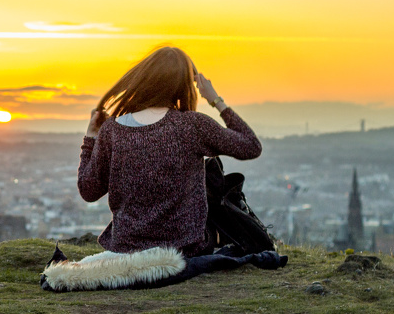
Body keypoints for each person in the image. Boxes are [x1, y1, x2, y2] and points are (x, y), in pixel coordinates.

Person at [78, 45, 262, 257]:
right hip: (183, 249)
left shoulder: (112, 129)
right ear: (184, 85)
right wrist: (215, 100)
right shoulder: (192, 126)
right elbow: (251, 146)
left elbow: (88, 191)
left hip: (127, 249)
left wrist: (90, 138)